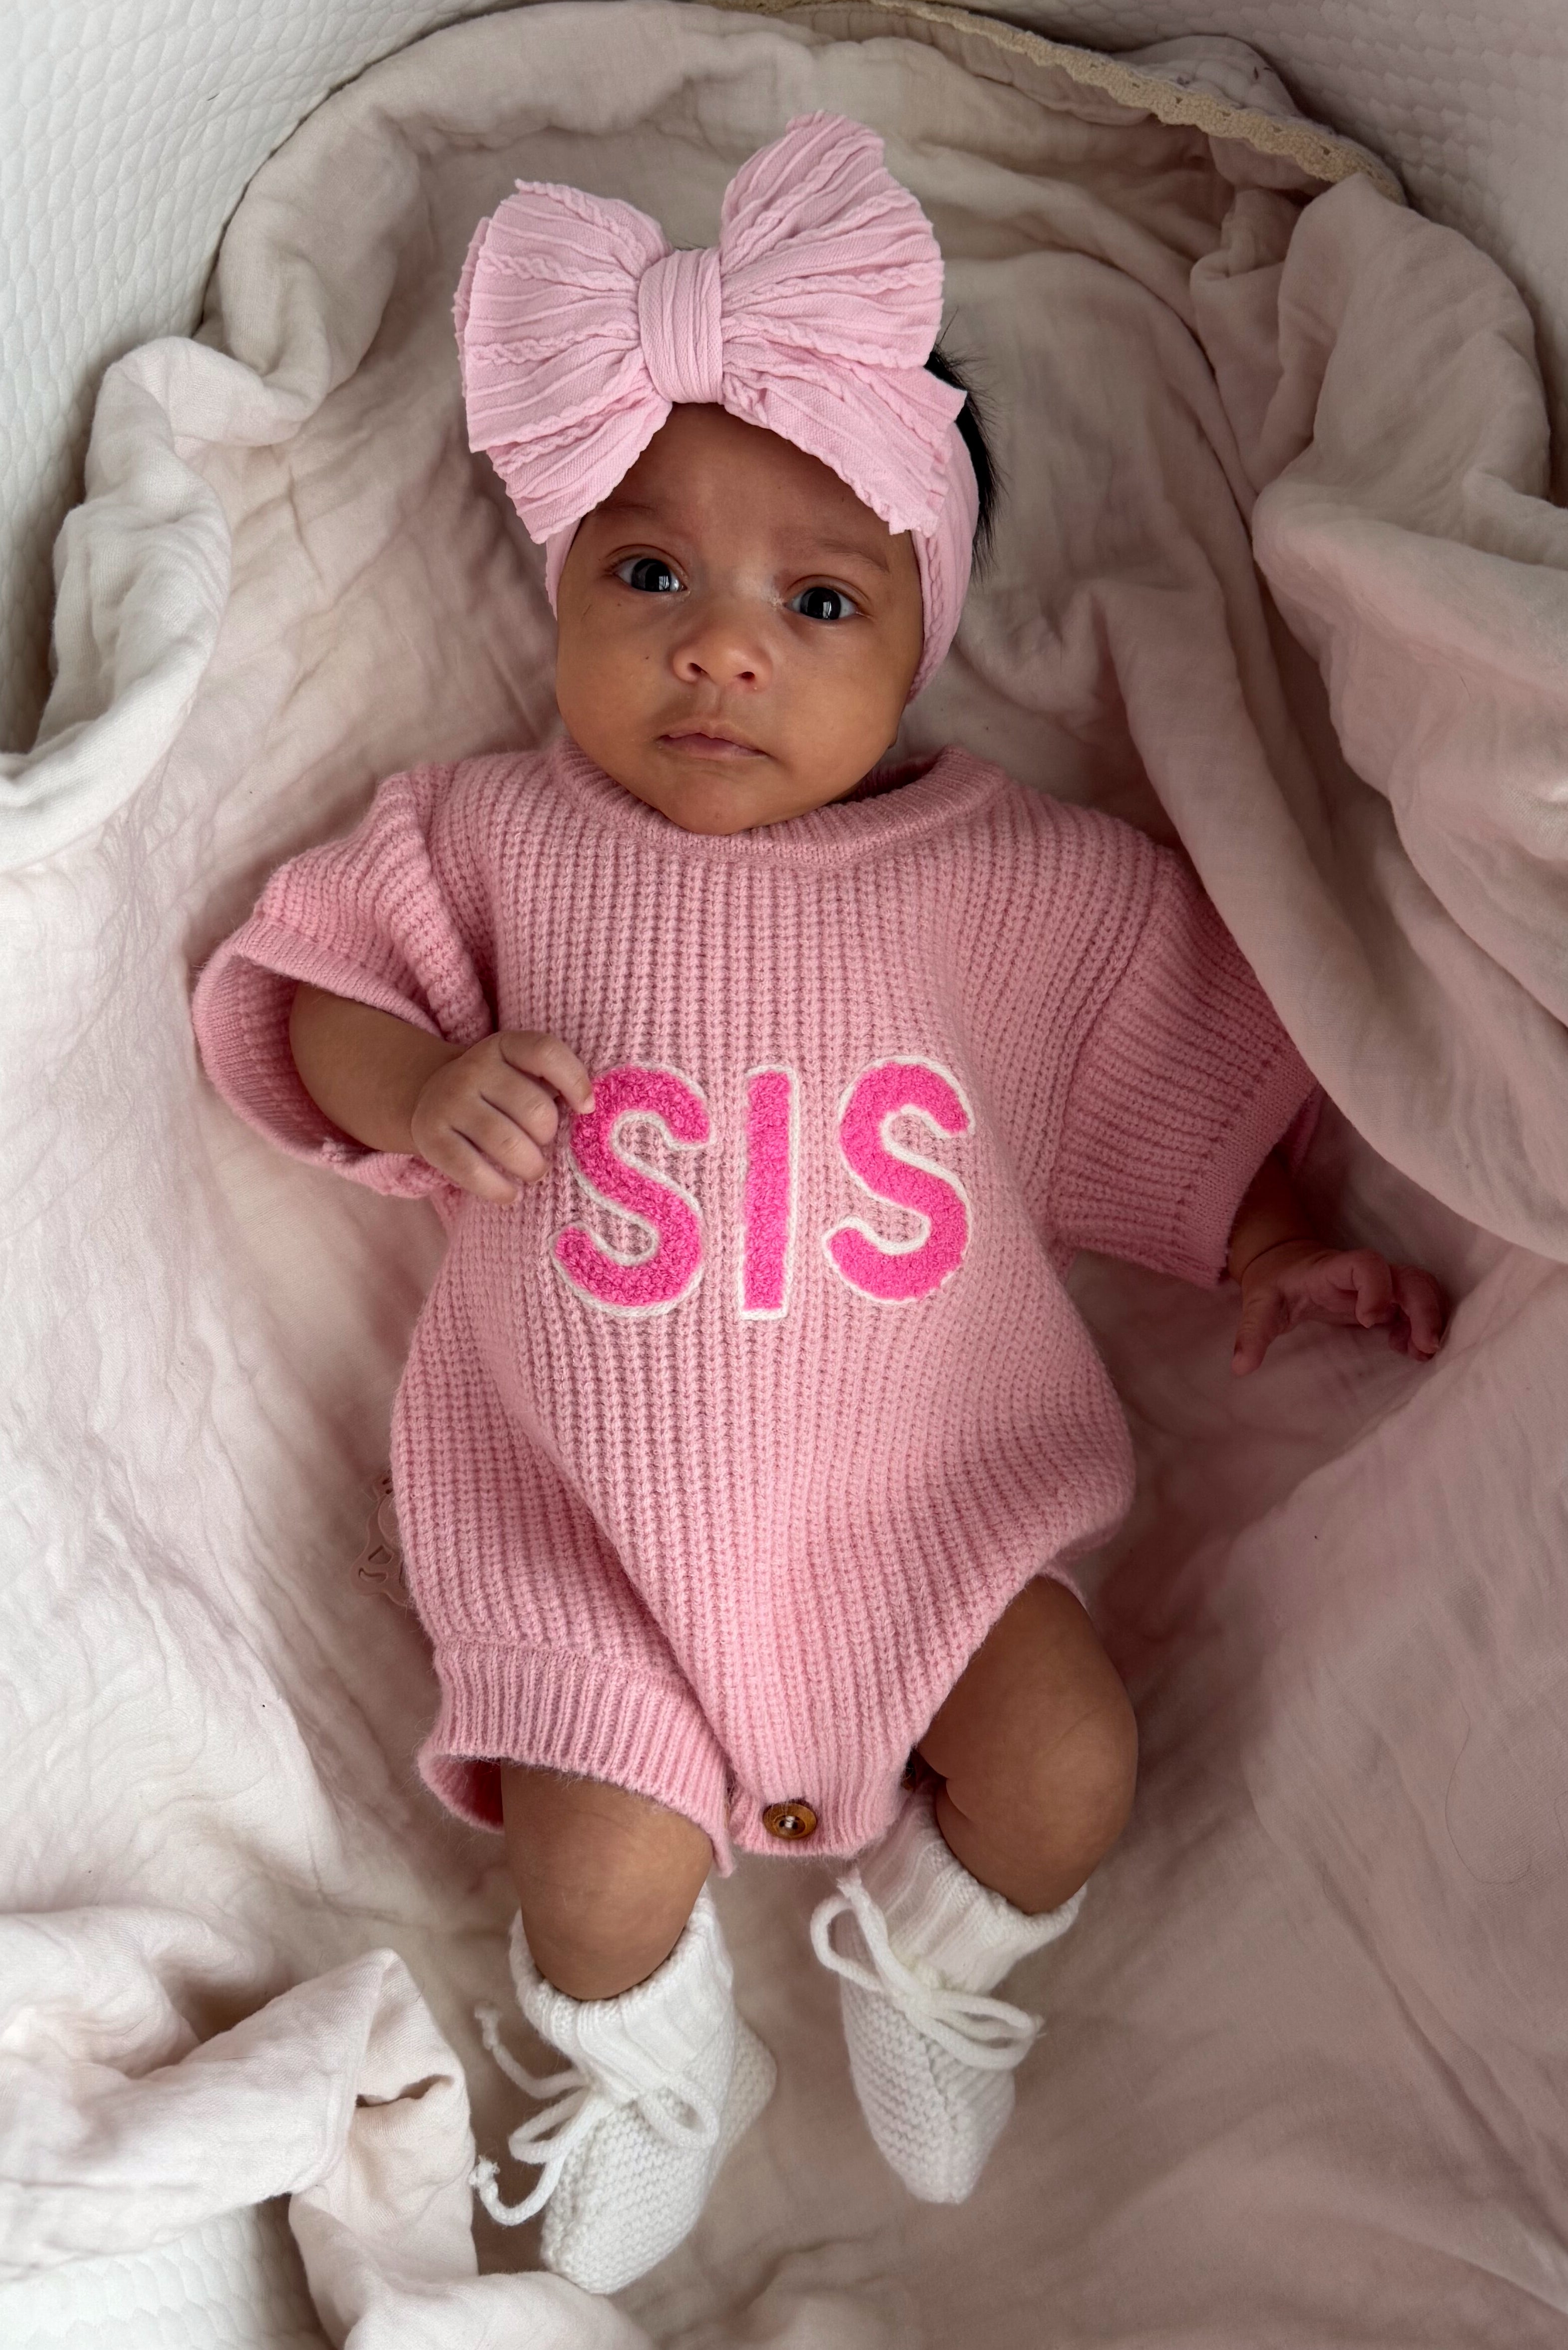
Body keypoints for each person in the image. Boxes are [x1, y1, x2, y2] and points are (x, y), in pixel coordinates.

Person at [192, 113, 1446, 2296]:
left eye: (821, 597)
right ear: (563, 594)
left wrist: (1262, 1237)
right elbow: (308, 1001)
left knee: (1067, 1762)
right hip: (591, 1532)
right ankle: (661, 2051)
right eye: (648, 575)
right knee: (586, 1873)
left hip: (925, 1515)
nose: (721, 650)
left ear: (918, 643)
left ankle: (938, 1946)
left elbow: (1162, 1062)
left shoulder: (1009, 879)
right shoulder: (493, 839)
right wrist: (427, 1075)